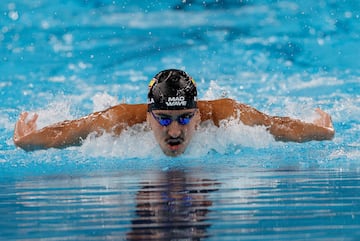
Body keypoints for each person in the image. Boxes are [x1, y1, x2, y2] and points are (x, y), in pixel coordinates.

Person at [13, 69, 335, 156]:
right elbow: (67, 132)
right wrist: (29, 140)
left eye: (184, 119)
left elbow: (276, 126)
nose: (175, 132)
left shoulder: (225, 114)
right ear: (149, 115)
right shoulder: (120, 119)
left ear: (197, 115)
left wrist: (319, 131)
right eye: (164, 119)